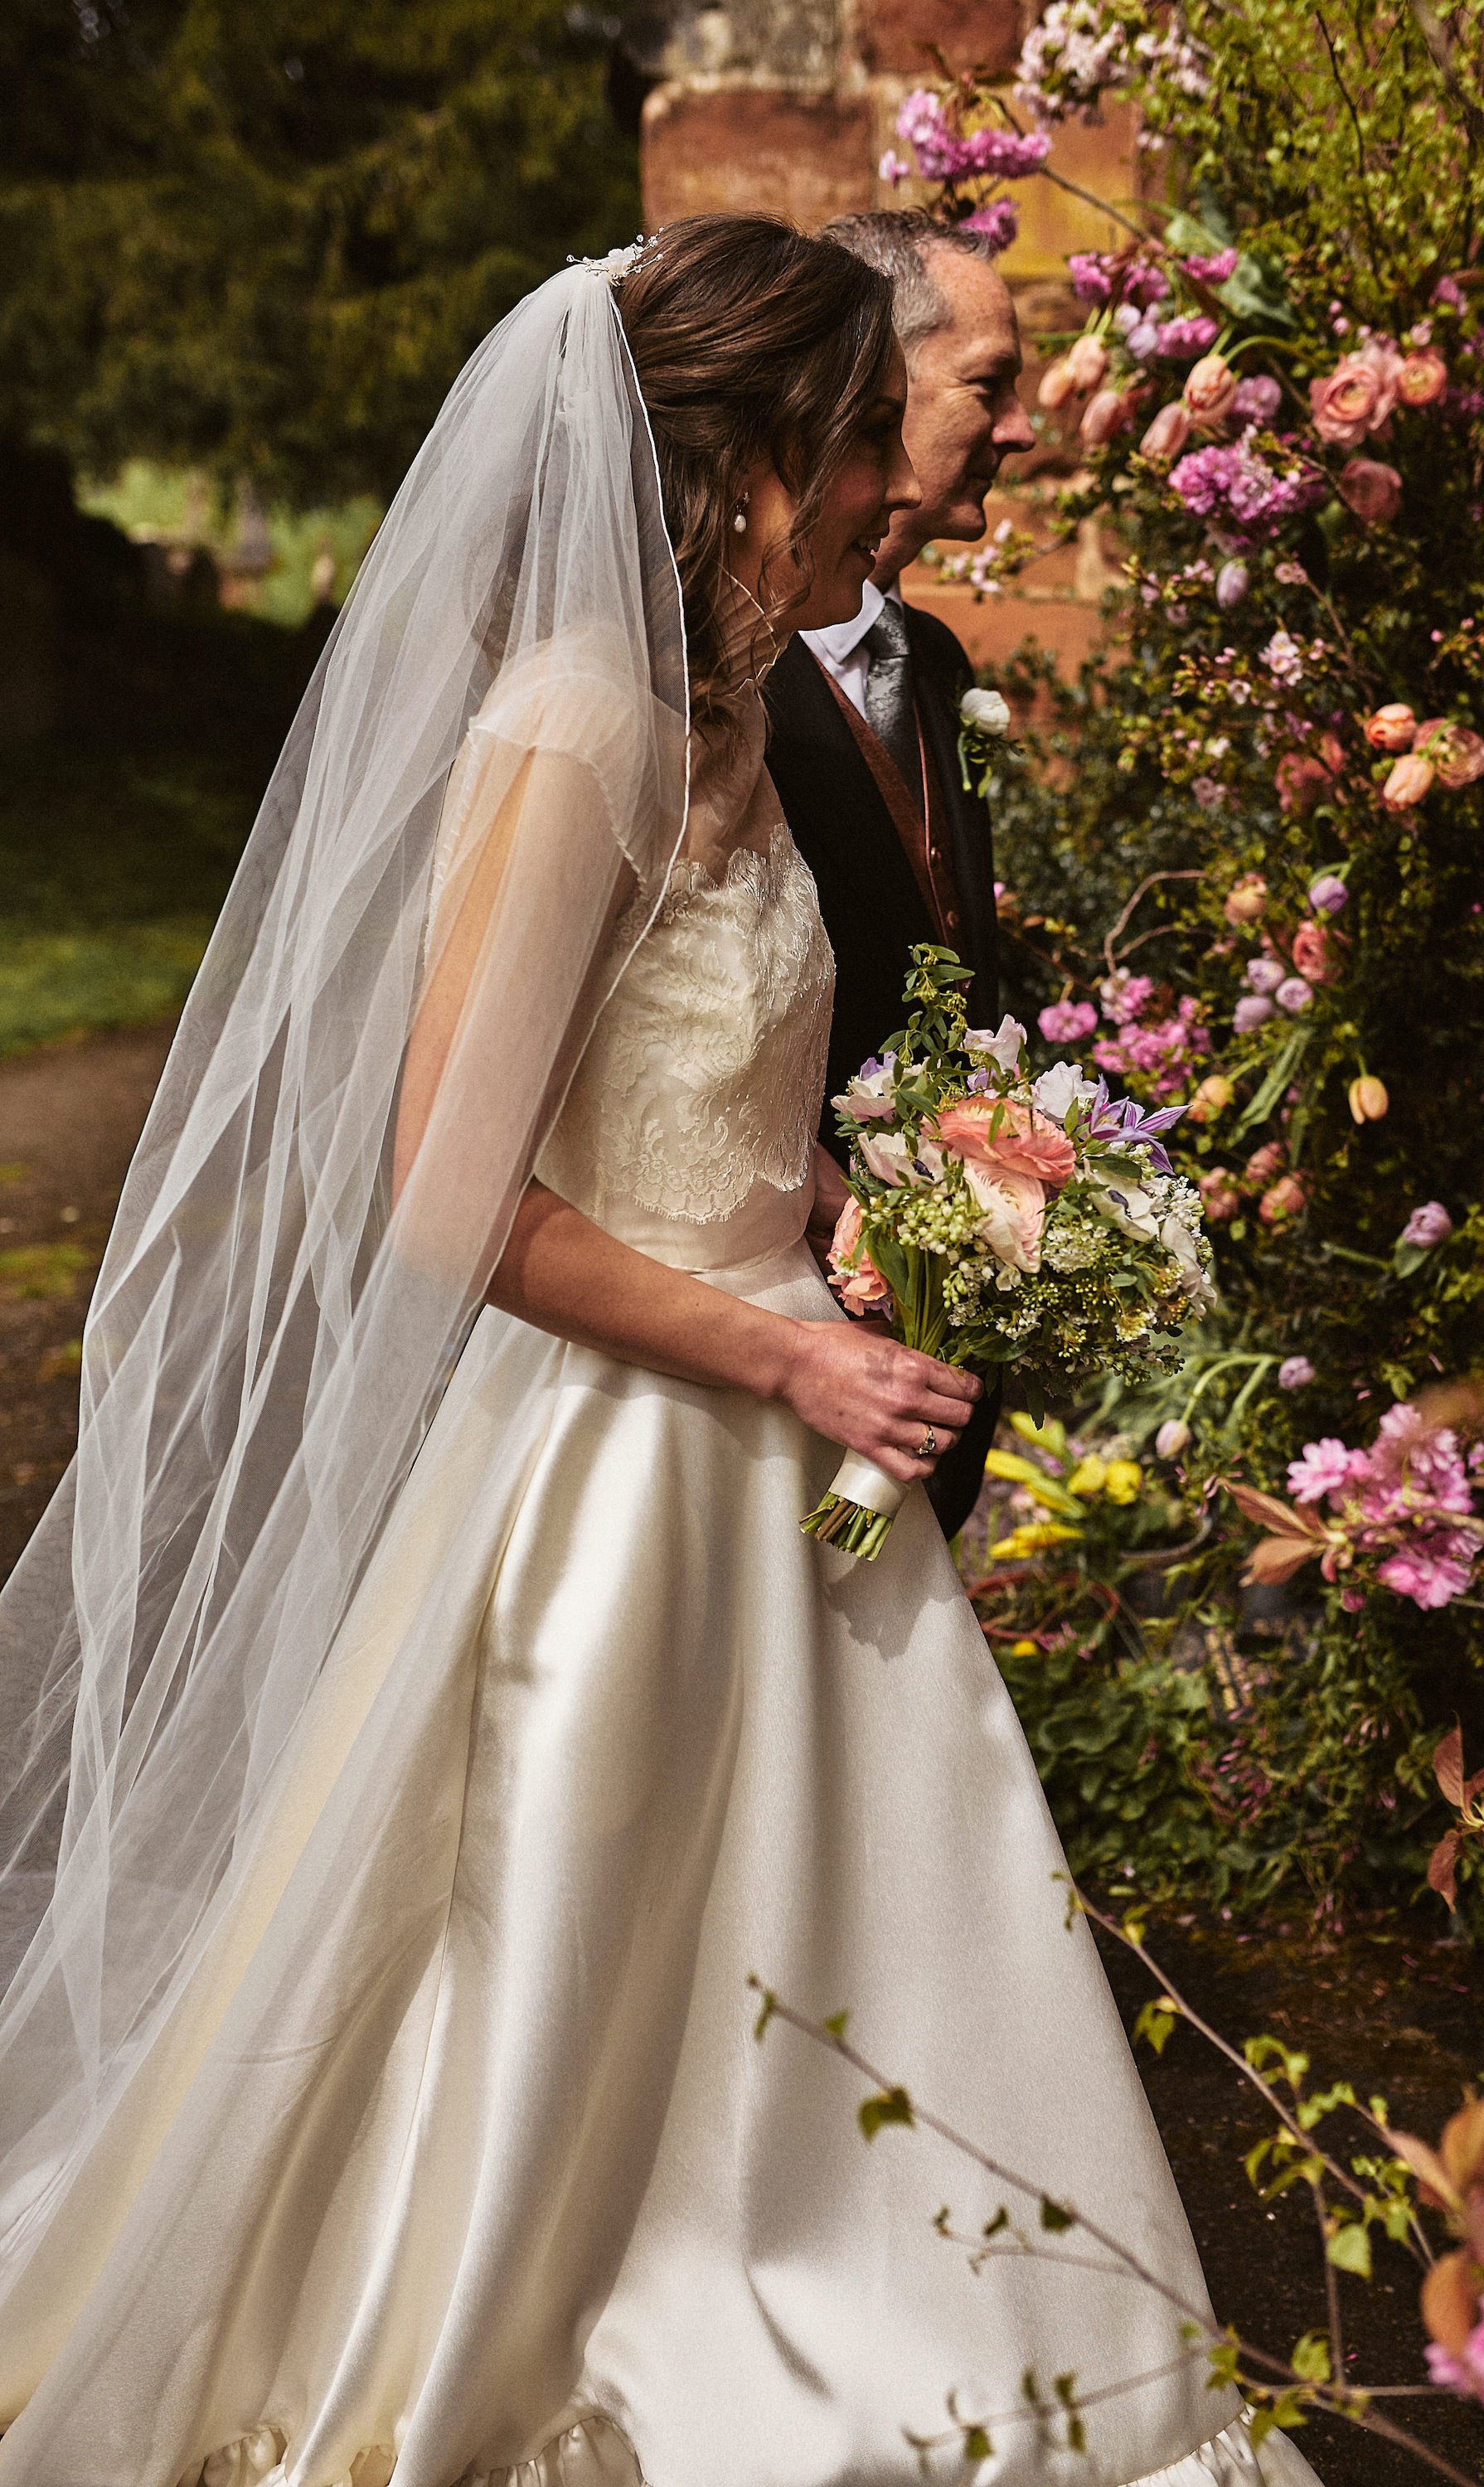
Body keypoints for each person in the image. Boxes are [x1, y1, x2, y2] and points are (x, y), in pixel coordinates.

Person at [0, 216, 1316, 2487]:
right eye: (857, 448)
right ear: (745, 464)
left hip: (792, 1440)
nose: (893, 490)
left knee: (861, 1948)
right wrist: (787, 1355)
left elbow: (676, 1099)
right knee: (564, 1971)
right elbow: (450, 1201)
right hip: (630, 1466)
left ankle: (919, 2348)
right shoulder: (580, 722)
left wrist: (861, 1214)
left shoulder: (728, 718)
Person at [765, 211, 1035, 1539]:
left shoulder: (941, 669)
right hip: (765, 1328)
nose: (1022, 429)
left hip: (922, 1347)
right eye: (991, 383)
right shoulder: (703, 680)